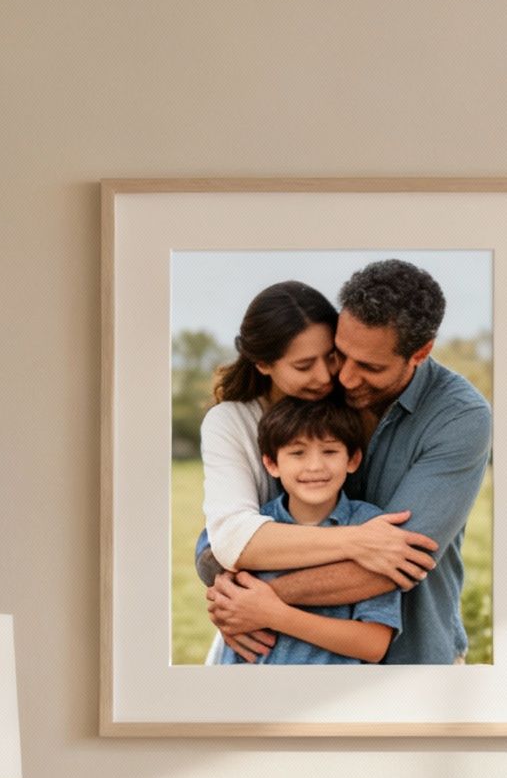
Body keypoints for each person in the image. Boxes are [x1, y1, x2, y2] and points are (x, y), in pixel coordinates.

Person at [209, 259, 489, 664]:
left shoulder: (459, 417)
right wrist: (227, 581)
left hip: (410, 661)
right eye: (343, 354)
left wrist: (251, 601)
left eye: (371, 367)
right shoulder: (321, 394)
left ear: (421, 353)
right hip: (289, 660)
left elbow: (388, 566)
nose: (344, 379)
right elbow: (227, 535)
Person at [215, 398, 401, 663]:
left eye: (329, 452)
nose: (314, 466)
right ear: (271, 464)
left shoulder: (371, 528)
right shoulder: (252, 529)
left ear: (353, 459)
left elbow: (373, 645)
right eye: (297, 453)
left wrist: (276, 615)